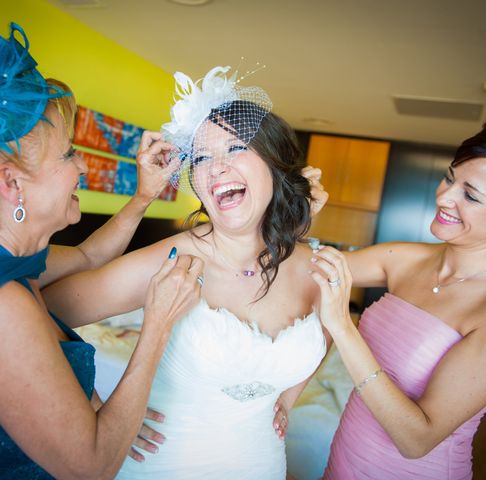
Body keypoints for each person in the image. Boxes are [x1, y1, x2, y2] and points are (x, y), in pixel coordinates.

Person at [0, 23, 204, 479]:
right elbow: (92, 466)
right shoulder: (1, 305)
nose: (83, 168)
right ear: (11, 184)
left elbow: (92, 256)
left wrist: (144, 196)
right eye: (69, 154)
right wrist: (158, 324)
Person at [42, 65, 330, 479]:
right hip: (161, 463)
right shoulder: (174, 259)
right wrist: (93, 405)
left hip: (263, 463)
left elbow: (330, 332)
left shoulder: (314, 263)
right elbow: (37, 315)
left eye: (234, 149)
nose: (215, 168)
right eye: (199, 158)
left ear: (274, 164)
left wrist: (287, 397)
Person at [308, 95, 486, 479]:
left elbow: (416, 439)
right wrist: (298, 214)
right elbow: (303, 266)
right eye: (449, 178)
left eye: (471, 195)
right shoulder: (407, 258)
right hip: (342, 462)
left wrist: (343, 327)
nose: (444, 197)